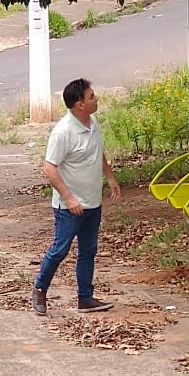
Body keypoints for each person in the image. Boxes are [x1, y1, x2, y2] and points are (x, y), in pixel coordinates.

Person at [31, 78, 121, 315]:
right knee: (60, 249)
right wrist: (69, 198)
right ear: (79, 104)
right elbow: (49, 168)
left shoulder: (92, 123)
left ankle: (85, 298)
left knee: (88, 250)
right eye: (91, 96)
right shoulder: (63, 132)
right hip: (69, 207)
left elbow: (98, 152)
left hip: (93, 202)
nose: (96, 99)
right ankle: (40, 288)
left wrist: (110, 178)